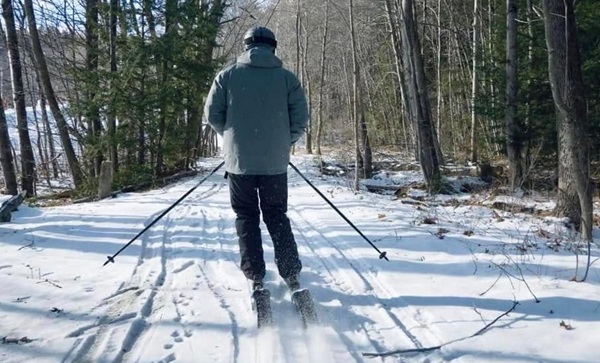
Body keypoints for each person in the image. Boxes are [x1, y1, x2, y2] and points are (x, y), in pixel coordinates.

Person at [204, 26, 309, 292]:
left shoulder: (226, 76)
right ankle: (290, 271)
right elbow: (300, 118)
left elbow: (213, 115)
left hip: (240, 164)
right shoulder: (287, 78)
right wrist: (283, 142)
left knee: (246, 216)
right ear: (273, 46)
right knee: (276, 215)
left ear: (246, 45)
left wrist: (233, 139)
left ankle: (256, 276)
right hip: (274, 164)